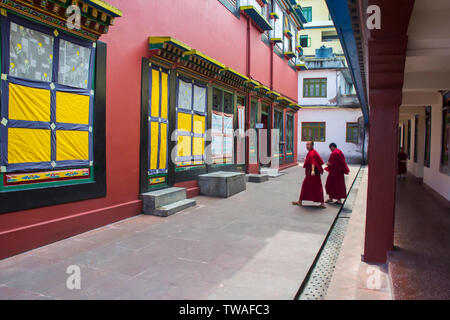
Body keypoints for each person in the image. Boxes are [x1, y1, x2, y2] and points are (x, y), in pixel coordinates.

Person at [292, 141, 325, 208]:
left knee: (313, 187)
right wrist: (306, 159)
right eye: (306, 144)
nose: (307, 146)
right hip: (313, 174)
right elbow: (315, 160)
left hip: (312, 174)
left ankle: (300, 201)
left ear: (312, 145)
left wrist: (312, 171)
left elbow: (313, 162)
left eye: (309, 144)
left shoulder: (312, 153)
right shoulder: (312, 152)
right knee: (312, 187)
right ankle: (301, 201)